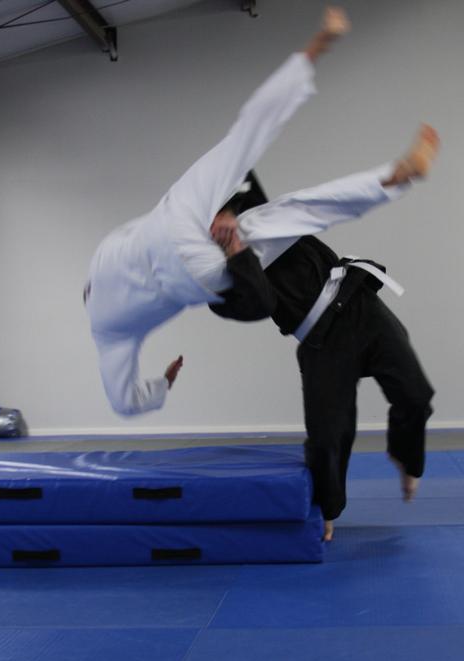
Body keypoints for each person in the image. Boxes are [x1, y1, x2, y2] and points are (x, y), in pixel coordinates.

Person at [84, 7, 351, 416]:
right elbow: (155, 221)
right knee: (244, 141)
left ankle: (380, 181)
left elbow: (123, 403)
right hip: (172, 225)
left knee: (283, 226)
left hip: (191, 269)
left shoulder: (109, 336)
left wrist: (162, 384)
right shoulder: (105, 252)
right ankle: (318, 46)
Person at [207, 126, 440, 541]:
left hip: (359, 306)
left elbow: (252, 177)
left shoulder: (263, 216)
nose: (222, 228)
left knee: (415, 394)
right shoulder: (217, 276)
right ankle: (327, 508)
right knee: (328, 438)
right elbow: (259, 305)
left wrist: (229, 208)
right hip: (320, 341)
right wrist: (236, 256)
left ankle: (407, 457)